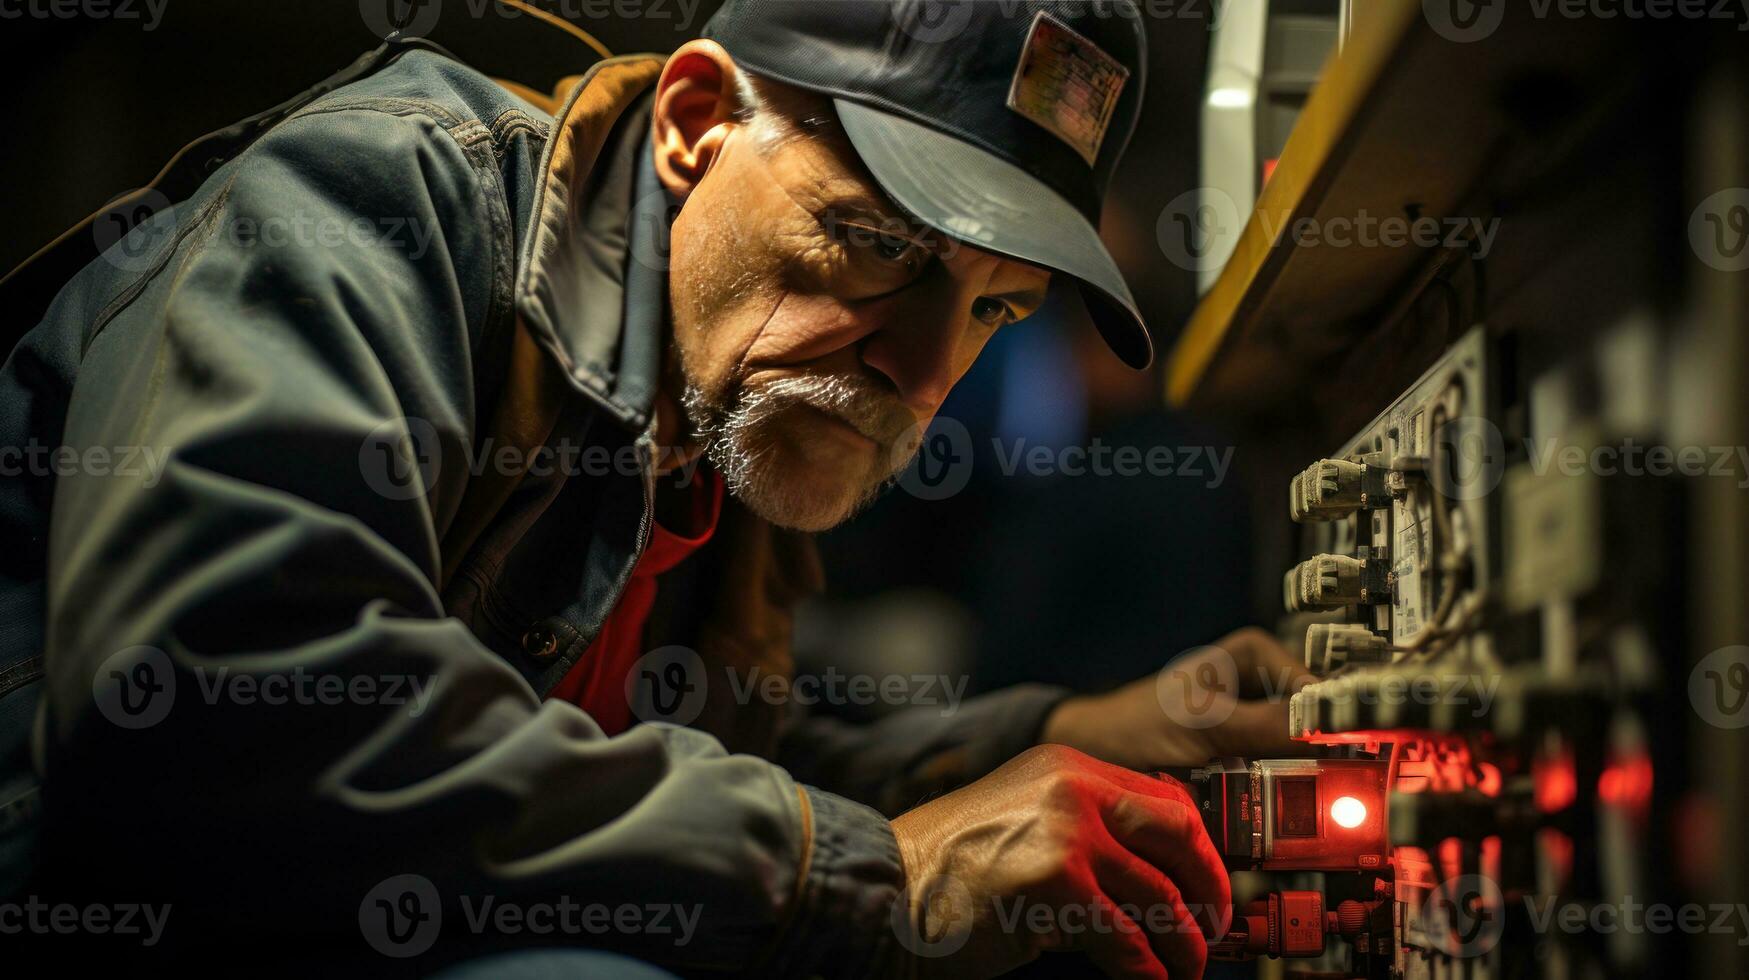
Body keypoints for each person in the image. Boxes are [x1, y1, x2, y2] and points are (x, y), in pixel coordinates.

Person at [0, 1, 1310, 975]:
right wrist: (870, 867)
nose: (924, 375)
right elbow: (217, 708)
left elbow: (665, 763)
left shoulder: (715, 376)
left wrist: (1061, 734)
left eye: (993, 309)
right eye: (870, 245)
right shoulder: (376, 206)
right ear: (694, 122)